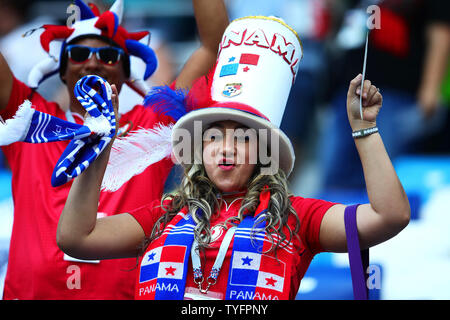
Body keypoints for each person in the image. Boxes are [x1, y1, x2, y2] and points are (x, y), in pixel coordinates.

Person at [57, 16, 410, 300]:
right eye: (213, 136)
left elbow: (388, 216)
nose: (225, 147)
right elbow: (76, 238)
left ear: (263, 152)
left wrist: (365, 130)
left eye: (241, 138)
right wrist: (99, 149)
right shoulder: (163, 214)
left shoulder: (298, 217)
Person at [0, 0, 228, 299]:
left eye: (107, 56)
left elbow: (214, 48)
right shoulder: (30, 122)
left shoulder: (151, 129)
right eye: (79, 54)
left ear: (124, 74)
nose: (93, 63)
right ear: (64, 71)